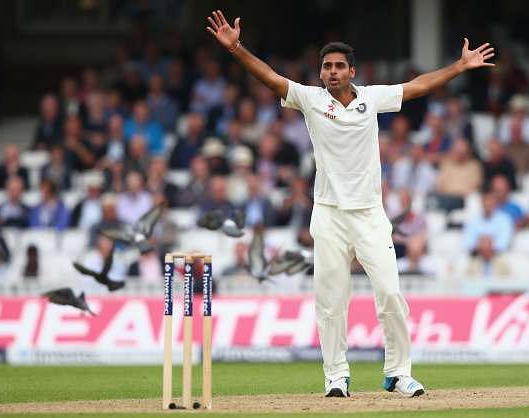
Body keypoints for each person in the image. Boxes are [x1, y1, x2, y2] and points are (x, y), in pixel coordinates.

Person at [206, 9, 495, 397]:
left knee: (391, 292)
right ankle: (336, 376)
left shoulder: (372, 98)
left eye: (340, 66)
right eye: (327, 66)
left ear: (352, 71)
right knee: (330, 300)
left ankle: (397, 373)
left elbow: (418, 86)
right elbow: (271, 78)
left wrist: (459, 66)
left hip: (370, 214)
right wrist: (237, 48)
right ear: (321, 72)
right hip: (328, 213)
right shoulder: (310, 100)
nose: (333, 72)